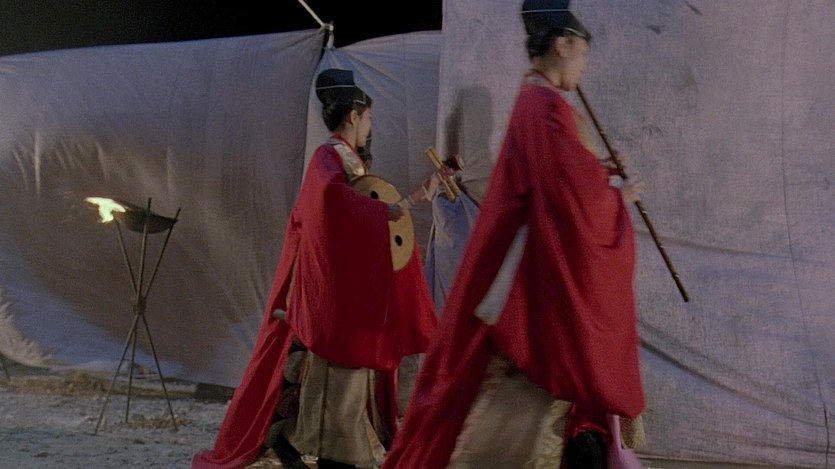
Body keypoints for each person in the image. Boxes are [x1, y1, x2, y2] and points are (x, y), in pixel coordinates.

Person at [381, 1, 647, 468]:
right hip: (539, 290)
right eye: (583, 53)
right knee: (533, 411)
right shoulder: (544, 107)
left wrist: (599, 172)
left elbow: (564, 178)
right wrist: (616, 199)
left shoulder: (538, 102)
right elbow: (569, 201)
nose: (584, 65)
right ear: (562, 44)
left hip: (536, 275)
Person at [192, 68, 438, 469]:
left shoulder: (347, 161)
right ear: (354, 116)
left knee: (339, 383)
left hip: (348, 290)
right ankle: (326, 455)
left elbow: (360, 209)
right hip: (333, 296)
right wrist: (384, 212)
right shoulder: (328, 157)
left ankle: (299, 445)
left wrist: (402, 208)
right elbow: (330, 203)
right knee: (336, 382)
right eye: (369, 118)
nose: (370, 127)